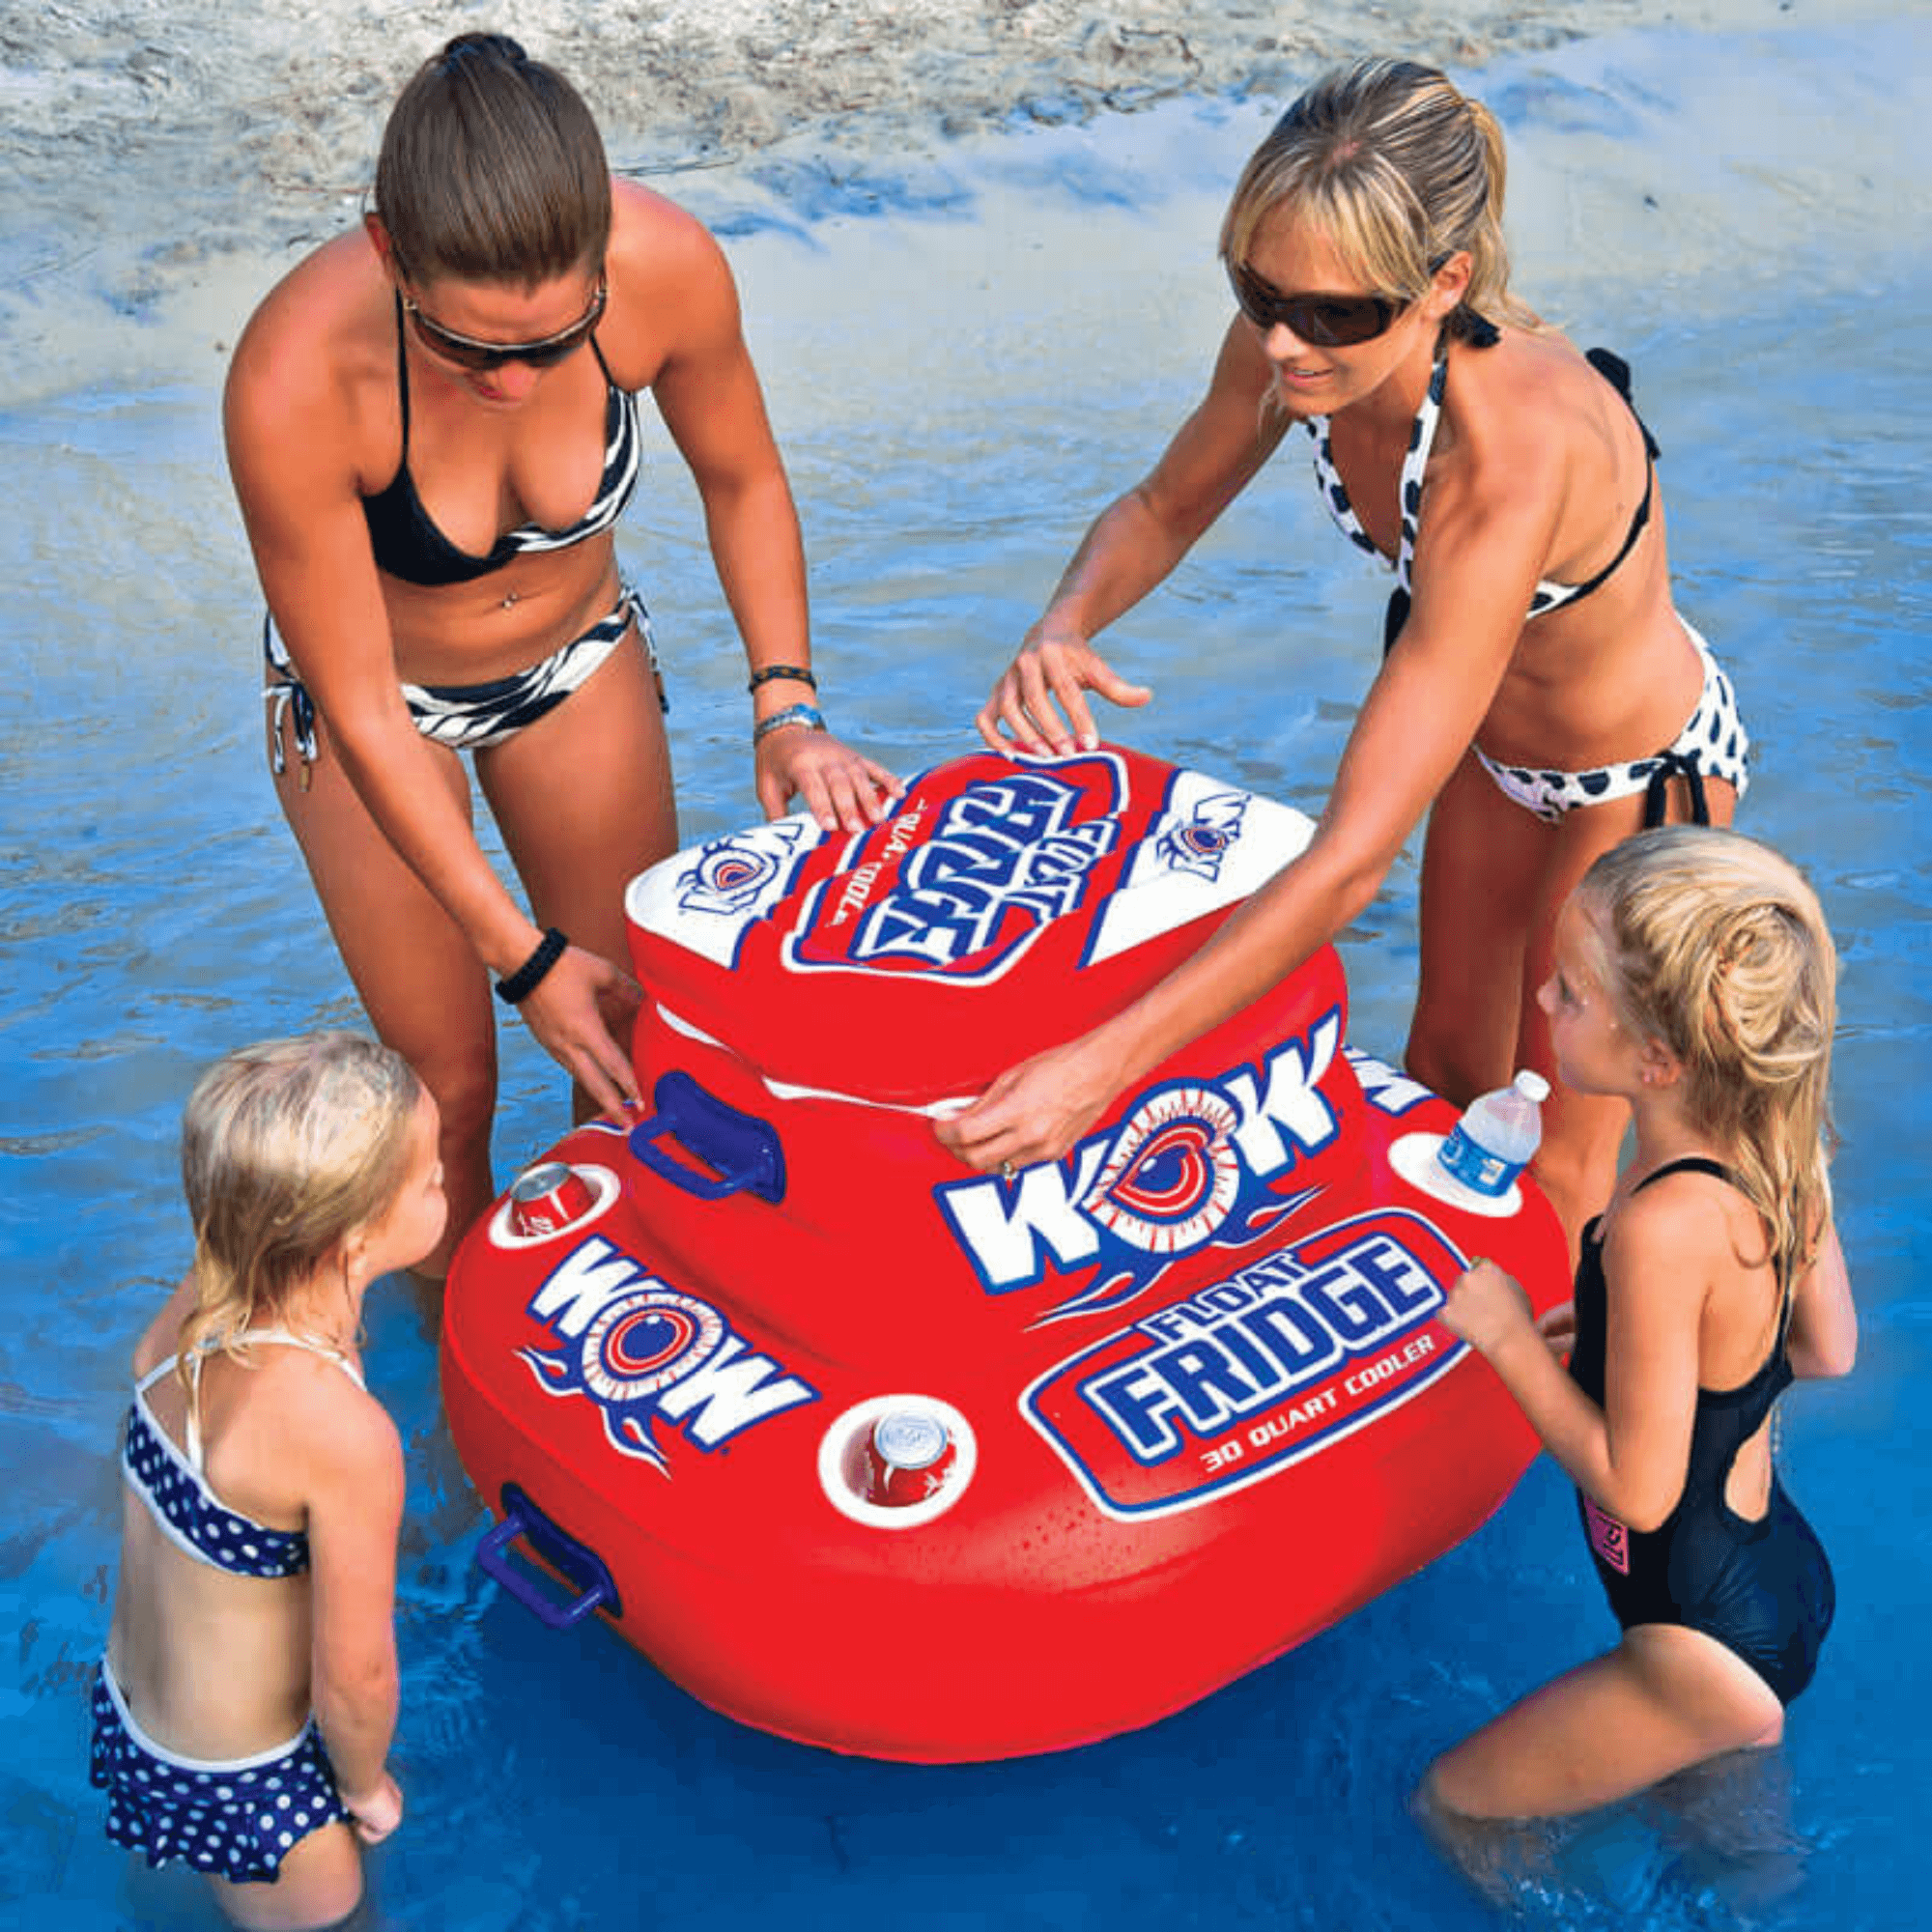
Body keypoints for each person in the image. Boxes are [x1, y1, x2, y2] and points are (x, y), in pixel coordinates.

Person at [937, 59, 1748, 1246]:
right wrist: (1061, 625)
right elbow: (1162, 507)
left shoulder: (1505, 458)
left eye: (1331, 315)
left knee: (1557, 1167)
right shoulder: (1293, 337)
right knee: (1436, 1087)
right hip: (1486, 744)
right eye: (1255, 290)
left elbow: (1349, 860)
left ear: (1443, 284)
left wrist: (1097, 1068)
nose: (1281, 342)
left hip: (1628, 785)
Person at [226, 33, 897, 1276]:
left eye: (555, 337)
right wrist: (517, 954)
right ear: (389, 254)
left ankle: (610, 1335)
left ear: (600, 251)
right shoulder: (292, 374)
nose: (518, 378)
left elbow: (743, 479)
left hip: (574, 662)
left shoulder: (669, 267)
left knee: (629, 1043)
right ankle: (467, 1375)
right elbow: (365, 707)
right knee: (447, 1095)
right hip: (377, 704)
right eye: (470, 348)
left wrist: (786, 702)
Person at [1420, 825, 1855, 1827]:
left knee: (1455, 1809)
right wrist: (1629, 1344)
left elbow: (1637, 1490)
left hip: (1689, 1639)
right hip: (1770, 1580)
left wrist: (1508, 1338)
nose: (1541, 1002)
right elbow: (1822, 1349)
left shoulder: (1658, 1223)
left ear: (1655, 1057)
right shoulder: (1777, 1141)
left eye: (1568, 993)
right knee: (1720, 1844)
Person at [91, 1034, 444, 1928]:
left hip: (137, 1720)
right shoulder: (341, 1433)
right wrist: (363, 1790)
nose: (446, 1182)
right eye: (434, 1178)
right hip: (254, 1792)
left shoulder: (197, 1302)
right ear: (356, 1237)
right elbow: (356, 1678)